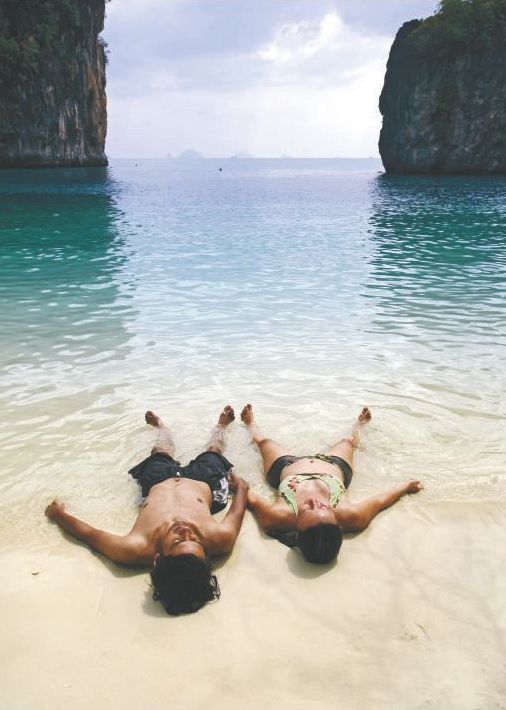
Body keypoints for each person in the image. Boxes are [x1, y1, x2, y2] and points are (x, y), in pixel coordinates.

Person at [45, 405, 248, 615]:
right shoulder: (220, 539)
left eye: (177, 541)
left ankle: (161, 428)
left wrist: (58, 515)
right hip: (203, 482)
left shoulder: (134, 548)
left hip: (157, 483)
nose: (186, 531)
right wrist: (241, 487)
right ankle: (221, 425)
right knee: (213, 450)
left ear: (158, 559)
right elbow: (237, 510)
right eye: (196, 541)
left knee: (160, 451)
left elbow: (90, 534)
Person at [241, 404, 422, 564]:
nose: (314, 502)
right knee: (350, 442)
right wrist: (405, 487)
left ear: (297, 530)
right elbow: (380, 501)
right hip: (334, 466)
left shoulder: (276, 517)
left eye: (307, 510)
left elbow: (244, 491)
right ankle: (359, 424)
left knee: (262, 442)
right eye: (324, 508)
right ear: (338, 524)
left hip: (286, 467)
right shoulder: (352, 516)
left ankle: (250, 423)